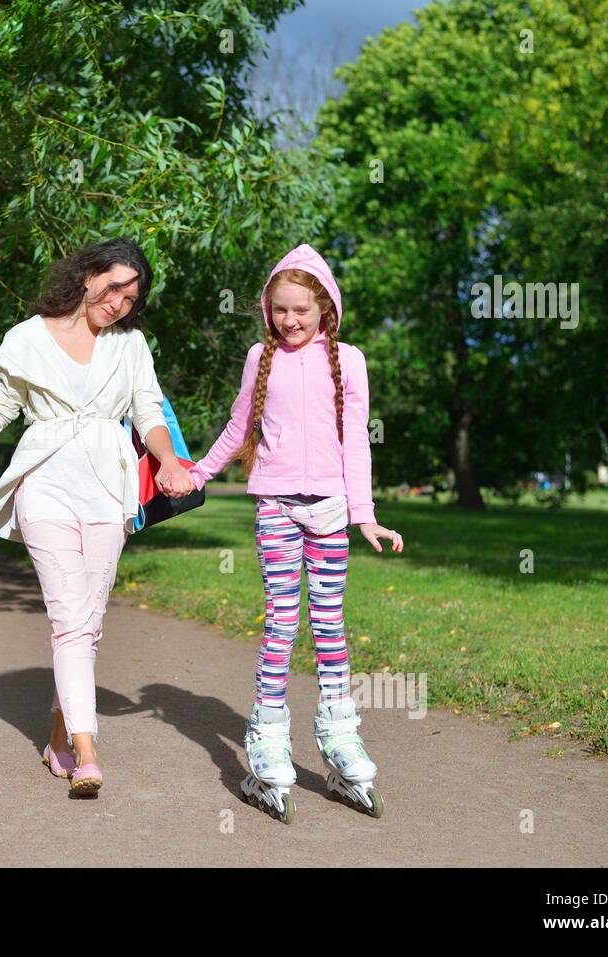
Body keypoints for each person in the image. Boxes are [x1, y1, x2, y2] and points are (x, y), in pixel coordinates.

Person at [0, 238, 194, 795]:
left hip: (108, 487)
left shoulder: (131, 345)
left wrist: (168, 461)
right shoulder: (27, 336)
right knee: (69, 618)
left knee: (88, 623)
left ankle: (59, 735)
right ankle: (88, 753)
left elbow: (148, 412)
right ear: (88, 275)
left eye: (131, 298)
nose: (119, 303)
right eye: (114, 287)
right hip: (44, 481)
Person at [189, 244, 403, 822]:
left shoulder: (349, 360)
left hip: (332, 510)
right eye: (280, 310)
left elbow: (356, 440)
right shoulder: (260, 357)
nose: (290, 321)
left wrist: (366, 515)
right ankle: (267, 733)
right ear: (267, 309)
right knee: (282, 620)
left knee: (329, 621)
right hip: (276, 509)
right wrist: (198, 472)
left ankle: (338, 730)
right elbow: (239, 426)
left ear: (325, 309)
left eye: (302, 311)